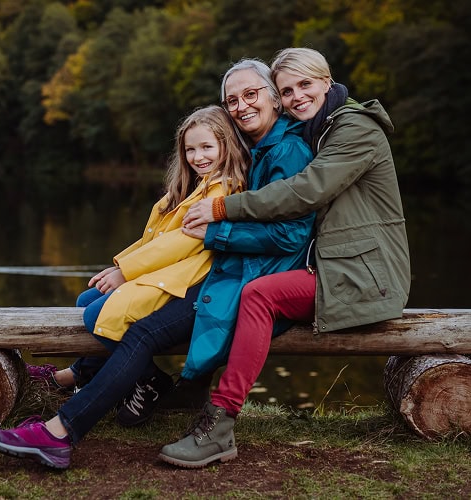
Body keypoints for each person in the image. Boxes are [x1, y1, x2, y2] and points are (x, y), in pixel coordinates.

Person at [0, 59, 315, 470]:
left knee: (139, 333)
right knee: (121, 319)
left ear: (274, 99)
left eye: (251, 95)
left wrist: (210, 233)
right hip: (226, 274)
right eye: (233, 100)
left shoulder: (284, 151)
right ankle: (103, 394)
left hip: (244, 280)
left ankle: (60, 431)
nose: (243, 106)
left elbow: (285, 235)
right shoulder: (256, 152)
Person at [158, 47, 410, 468]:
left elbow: (306, 190)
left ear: (327, 82)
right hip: (334, 266)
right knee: (235, 288)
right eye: (287, 90)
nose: (296, 97)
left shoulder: (356, 130)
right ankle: (189, 386)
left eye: (305, 85)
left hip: (365, 275)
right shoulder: (318, 128)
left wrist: (224, 210)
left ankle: (219, 424)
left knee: (260, 294)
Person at [27, 104, 250, 409]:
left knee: (96, 316)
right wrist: (119, 265)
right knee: (86, 301)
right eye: (190, 149)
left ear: (227, 147)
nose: (199, 157)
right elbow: (153, 239)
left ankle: (150, 379)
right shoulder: (192, 187)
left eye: (207, 147)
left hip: (184, 282)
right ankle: (82, 374)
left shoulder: (221, 192)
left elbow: (180, 244)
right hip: (163, 273)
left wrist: (126, 273)